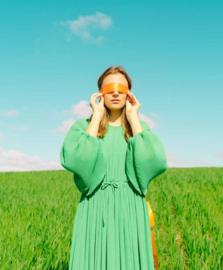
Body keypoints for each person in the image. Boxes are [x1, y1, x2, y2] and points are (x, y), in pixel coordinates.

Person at [60, 65, 168, 269]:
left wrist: (134, 118)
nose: (116, 92)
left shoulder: (140, 128)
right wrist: (97, 116)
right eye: (110, 88)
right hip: (95, 206)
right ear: (100, 93)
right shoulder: (82, 126)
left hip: (131, 207)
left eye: (122, 88)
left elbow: (155, 161)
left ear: (129, 94)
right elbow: (76, 160)